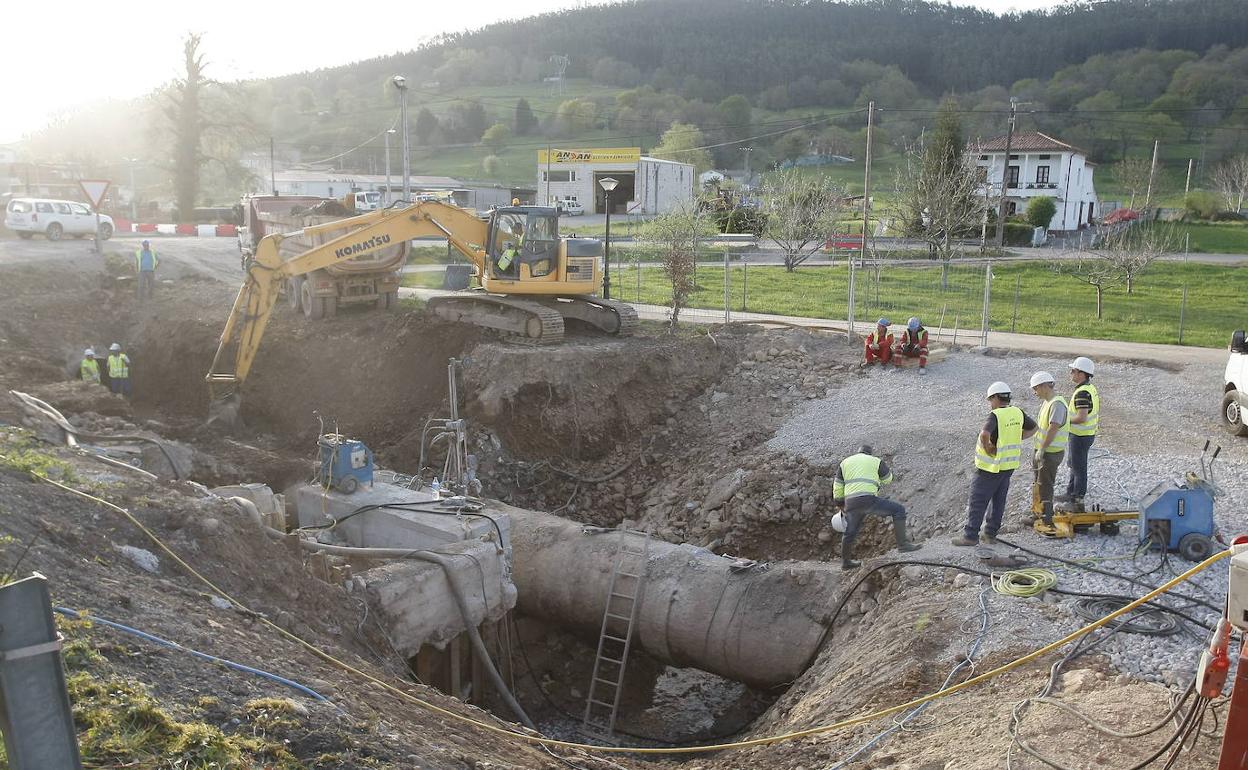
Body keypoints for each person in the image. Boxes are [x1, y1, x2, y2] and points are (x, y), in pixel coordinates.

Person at [952, 382, 1038, 546]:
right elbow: (1034, 428)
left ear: (996, 398)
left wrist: (988, 447)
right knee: (999, 501)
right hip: (1008, 467)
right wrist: (1016, 437)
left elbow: (985, 434)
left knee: (978, 500)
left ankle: (970, 536)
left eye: (991, 399)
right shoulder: (1017, 412)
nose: (990, 403)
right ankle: (990, 535)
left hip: (990, 467)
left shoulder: (995, 415)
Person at [832, 445, 921, 569]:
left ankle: (846, 563)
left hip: (851, 503)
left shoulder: (845, 463)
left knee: (849, 532)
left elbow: (837, 486)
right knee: (899, 510)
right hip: (868, 500)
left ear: (858, 452)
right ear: (870, 453)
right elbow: (888, 479)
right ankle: (903, 545)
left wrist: (840, 504)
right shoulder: (876, 461)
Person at [1057, 356, 1099, 513]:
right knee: (1075, 464)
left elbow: (1082, 417)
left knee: (1079, 468)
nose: (1071, 373)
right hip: (1084, 434)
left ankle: (1077, 500)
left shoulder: (1082, 393)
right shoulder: (1089, 388)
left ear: (1082, 373)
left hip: (1080, 436)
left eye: (1073, 371)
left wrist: (1064, 422)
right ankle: (1070, 493)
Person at [1028, 371, 1069, 525]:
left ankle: (1046, 517)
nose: (1035, 392)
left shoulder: (1057, 404)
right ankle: (1037, 513)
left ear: (1045, 386)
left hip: (1050, 453)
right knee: (1038, 483)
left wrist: (1042, 449)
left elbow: (1053, 428)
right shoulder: (1048, 402)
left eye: (1036, 388)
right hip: (1043, 451)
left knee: (1045, 485)